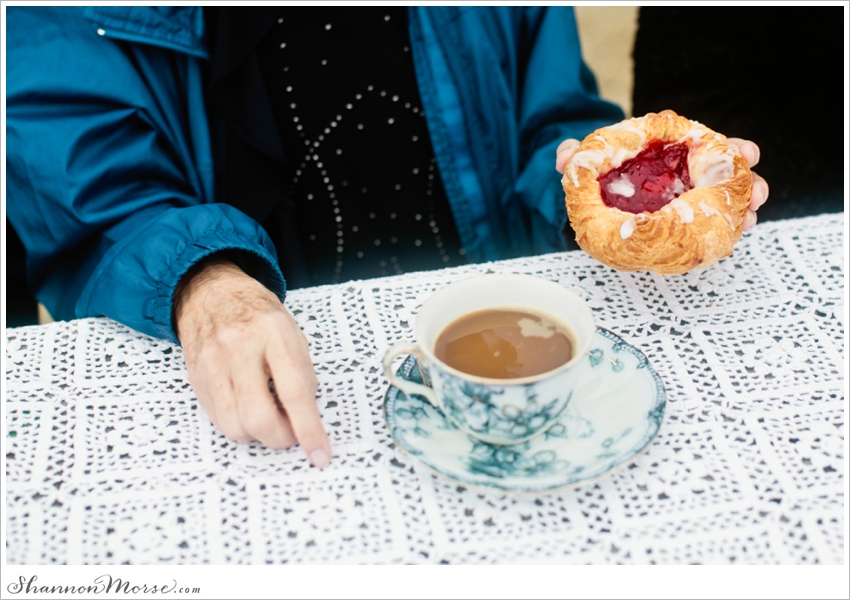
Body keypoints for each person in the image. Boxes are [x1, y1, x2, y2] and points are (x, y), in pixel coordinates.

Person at [6, 7, 769, 469]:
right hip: (283, 380)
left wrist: (613, 185)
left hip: (493, 353)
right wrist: (204, 280)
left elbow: (550, 118)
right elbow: (92, 199)